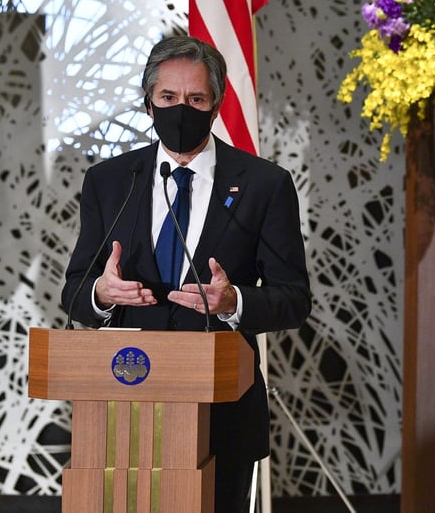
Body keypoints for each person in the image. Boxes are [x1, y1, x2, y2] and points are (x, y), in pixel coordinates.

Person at [61, 35, 312, 513]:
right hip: (123, 405)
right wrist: (102, 293)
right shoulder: (110, 181)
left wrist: (234, 302)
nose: (181, 109)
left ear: (216, 105)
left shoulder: (265, 184)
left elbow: (294, 299)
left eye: (196, 99)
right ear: (148, 104)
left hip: (223, 414)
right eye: (168, 97)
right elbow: (75, 290)